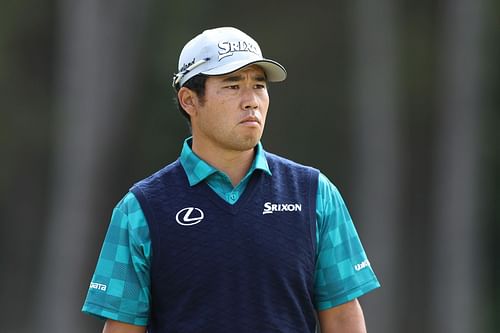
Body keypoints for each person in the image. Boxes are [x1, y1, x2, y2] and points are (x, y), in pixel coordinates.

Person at [82, 26, 380, 333]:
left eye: (259, 85)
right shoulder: (141, 209)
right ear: (189, 100)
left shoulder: (315, 194)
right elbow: (122, 329)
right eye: (233, 86)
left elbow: (343, 317)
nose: (251, 100)